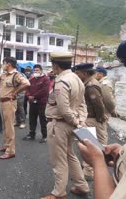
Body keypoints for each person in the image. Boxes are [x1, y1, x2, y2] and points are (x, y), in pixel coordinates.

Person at [78, 21, 126, 199]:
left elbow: (104, 102)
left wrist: (98, 163)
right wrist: (125, 153)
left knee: (99, 143)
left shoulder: (97, 85)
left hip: (98, 118)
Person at [42, 52, 90, 199]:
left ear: (55, 66)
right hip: (71, 123)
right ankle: (82, 185)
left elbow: (63, 109)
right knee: (70, 155)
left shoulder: (61, 81)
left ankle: (58, 193)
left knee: (59, 160)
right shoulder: (77, 79)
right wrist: (80, 120)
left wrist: (76, 121)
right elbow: (82, 105)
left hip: (59, 124)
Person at [0, 57, 30, 159]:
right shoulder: (4, 74)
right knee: (5, 126)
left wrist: (15, 92)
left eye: (3, 63)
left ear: (8, 64)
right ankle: (6, 145)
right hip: (2, 102)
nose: (3, 65)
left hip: (9, 103)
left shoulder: (16, 74)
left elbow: (27, 83)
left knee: (9, 127)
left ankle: (11, 151)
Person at [73, 63, 108, 180]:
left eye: (78, 73)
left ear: (84, 73)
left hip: (93, 119)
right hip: (90, 118)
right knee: (90, 144)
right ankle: (90, 169)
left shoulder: (90, 86)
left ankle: (90, 172)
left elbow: (98, 104)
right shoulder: (88, 83)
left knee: (94, 145)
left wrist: (100, 119)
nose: (76, 75)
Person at [23, 64, 50, 143]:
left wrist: (33, 96)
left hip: (41, 103)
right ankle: (32, 134)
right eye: (34, 70)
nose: (36, 72)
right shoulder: (32, 79)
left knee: (43, 120)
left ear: (41, 71)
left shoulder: (45, 79)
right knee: (32, 119)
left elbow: (44, 91)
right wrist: (29, 96)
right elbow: (27, 88)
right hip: (32, 103)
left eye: (37, 70)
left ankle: (45, 136)